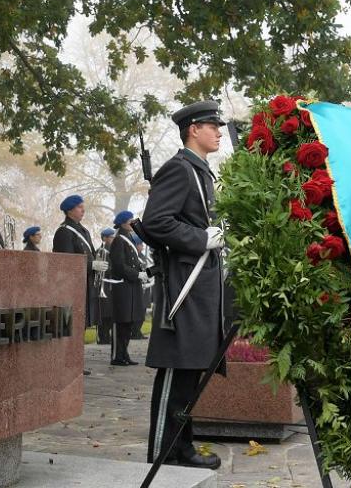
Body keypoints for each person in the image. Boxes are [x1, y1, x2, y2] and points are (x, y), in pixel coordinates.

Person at [141, 100, 227, 470]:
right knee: (177, 367)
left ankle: (181, 447)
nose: (219, 132)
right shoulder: (180, 168)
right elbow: (156, 221)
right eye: (212, 126)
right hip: (183, 286)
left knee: (190, 370)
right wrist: (200, 238)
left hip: (200, 286)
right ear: (194, 129)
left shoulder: (201, 171)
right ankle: (161, 454)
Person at [52, 195, 108, 358]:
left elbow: (91, 254)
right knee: (73, 327)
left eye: (83, 207)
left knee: (80, 326)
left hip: (85, 284)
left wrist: (98, 262)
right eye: (79, 207)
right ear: (70, 210)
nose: (83, 210)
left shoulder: (83, 230)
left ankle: (76, 362)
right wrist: (92, 265)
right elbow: (66, 263)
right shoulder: (64, 232)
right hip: (72, 287)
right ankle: (68, 362)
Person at [107, 210, 145, 366]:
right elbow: (119, 265)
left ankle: (124, 354)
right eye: (130, 221)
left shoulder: (128, 238)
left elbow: (132, 263)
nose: (133, 223)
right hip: (123, 287)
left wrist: (142, 272)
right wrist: (136, 274)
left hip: (131, 287)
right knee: (121, 323)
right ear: (123, 223)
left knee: (128, 323)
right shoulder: (119, 240)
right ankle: (117, 356)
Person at [93, 227, 115, 344]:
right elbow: (99, 269)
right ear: (104, 238)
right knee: (103, 312)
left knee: (111, 312)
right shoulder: (100, 251)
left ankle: (107, 335)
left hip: (112, 285)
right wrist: (112, 269)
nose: (113, 239)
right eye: (111, 237)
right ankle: (102, 336)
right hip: (104, 284)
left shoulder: (114, 251)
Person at [131, 233, 151, 340]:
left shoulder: (143, 256)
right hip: (138, 286)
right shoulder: (134, 256)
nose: (142, 246)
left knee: (143, 311)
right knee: (137, 311)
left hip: (145, 286)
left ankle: (138, 331)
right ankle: (134, 332)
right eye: (140, 244)